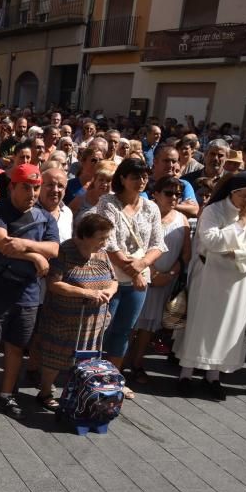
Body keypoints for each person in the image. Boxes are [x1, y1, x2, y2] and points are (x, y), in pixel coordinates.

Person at [175, 171, 246, 400]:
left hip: (240, 281)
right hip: (210, 277)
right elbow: (211, 240)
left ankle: (214, 376)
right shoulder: (214, 210)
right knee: (201, 325)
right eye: (245, 196)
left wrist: (237, 254)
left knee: (228, 328)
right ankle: (186, 374)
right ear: (234, 192)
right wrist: (239, 225)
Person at [0, 164, 59, 421]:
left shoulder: (46, 217)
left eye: (36, 188)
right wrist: (36, 256)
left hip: (28, 293)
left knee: (16, 347)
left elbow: (54, 249)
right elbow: (3, 244)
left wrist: (27, 245)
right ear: (12, 186)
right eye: (26, 187)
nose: (32, 193)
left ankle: (7, 394)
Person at [95, 158, 167, 396]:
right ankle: (91, 375)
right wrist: (136, 272)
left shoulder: (151, 207)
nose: (141, 180)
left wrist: (142, 266)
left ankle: (113, 378)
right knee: (100, 329)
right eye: (135, 176)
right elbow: (110, 244)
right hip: (111, 279)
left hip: (139, 280)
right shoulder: (108, 202)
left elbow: (157, 244)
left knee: (124, 331)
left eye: (145, 176)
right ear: (123, 178)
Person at [36, 214, 117, 410]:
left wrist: (109, 291)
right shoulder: (65, 251)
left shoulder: (101, 254)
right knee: (56, 357)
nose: (104, 242)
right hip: (64, 319)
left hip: (93, 322)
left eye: (106, 237)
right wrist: (87, 292)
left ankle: (81, 391)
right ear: (85, 236)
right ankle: (45, 391)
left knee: (88, 359)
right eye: (101, 238)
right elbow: (54, 284)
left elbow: (114, 280)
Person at [129, 176, 191, 386]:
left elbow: (185, 254)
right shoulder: (143, 213)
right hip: (140, 277)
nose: (173, 197)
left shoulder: (182, 220)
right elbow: (135, 246)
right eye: (168, 192)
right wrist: (152, 272)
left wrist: (169, 275)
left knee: (149, 326)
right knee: (131, 324)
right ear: (155, 193)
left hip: (164, 283)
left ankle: (137, 364)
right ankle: (117, 364)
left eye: (177, 194)